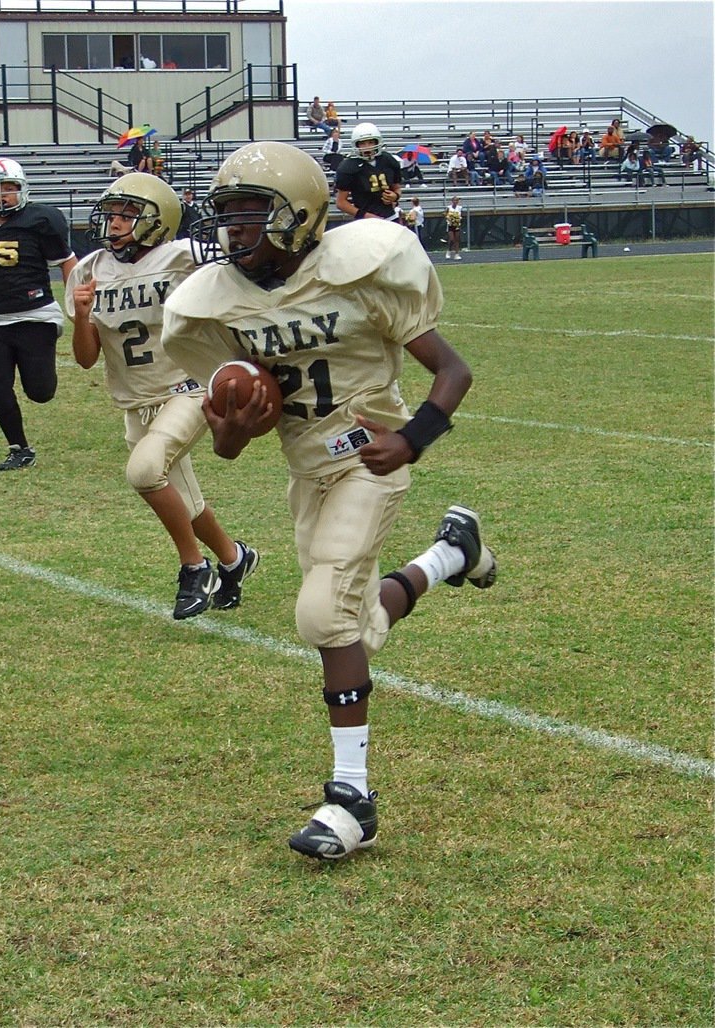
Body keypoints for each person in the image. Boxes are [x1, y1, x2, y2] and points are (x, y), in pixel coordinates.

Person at [160, 141, 498, 861]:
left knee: (321, 613)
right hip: (307, 469)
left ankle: (351, 800)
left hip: (372, 459)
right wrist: (234, 426)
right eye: (228, 214)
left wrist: (412, 440)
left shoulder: (358, 272)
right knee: (352, 622)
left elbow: (453, 371)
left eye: (253, 211)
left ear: (302, 214)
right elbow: (226, 446)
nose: (236, 228)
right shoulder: (219, 300)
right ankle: (450, 554)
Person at [66, 173, 259, 620]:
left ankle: (195, 567)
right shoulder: (89, 271)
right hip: (136, 401)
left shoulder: (187, 257)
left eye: (129, 214)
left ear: (158, 221)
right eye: (112, 212)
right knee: (185, 501)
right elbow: (85, 358)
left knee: (146, 472)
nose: (114, 223)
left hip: (188, 388)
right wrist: (81, 314)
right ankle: (234, 559)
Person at [0, 157, 78, 470]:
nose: (1, 195)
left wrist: (75, 296)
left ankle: (38, 381)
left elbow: (67, 260)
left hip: (36, 316)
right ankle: (19, 447)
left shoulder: (41, 219)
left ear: (21, 190)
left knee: (40, 392)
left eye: (8, 188)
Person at [334, 122, 402, 221]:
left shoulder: (388, 160)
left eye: (370, 142)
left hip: (391, 217)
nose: (367, 147)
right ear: (356, 145)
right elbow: (341, 203)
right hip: (366, 222)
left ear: (376, 142)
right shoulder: (348, 167)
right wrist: (366, 216)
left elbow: (397, 188)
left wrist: (395, 196)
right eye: (362, 143)